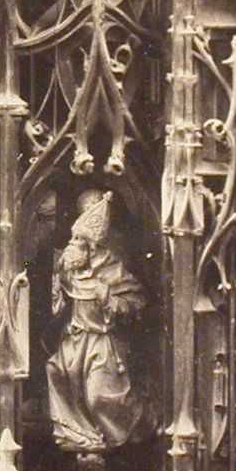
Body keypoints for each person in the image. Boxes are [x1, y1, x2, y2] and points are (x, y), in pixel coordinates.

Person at [45, 190, 146, 451]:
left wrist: (109, 298)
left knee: (98, 397)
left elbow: (136, 305)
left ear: (90, 248)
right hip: (74, 338)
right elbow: (57, 311)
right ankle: (77, 434)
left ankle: (119, 434)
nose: (71, 247)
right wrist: (58, 289)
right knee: (53, 370)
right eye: (73, 239)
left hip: (101, 343)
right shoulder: (69, 272)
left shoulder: (113, 269)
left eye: (78, 242)